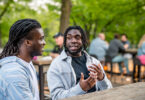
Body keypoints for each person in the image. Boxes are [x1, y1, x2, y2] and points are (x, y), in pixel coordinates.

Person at [47, 26, 112, 100]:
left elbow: (109, 91)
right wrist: (80, 89)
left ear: (83, 40)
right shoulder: (56, 65)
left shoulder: (95, 62)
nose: (73, 40)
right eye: (69, 38)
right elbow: (56, 96)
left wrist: (102, 79)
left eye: (77, 37)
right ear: (65, 41)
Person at [0, 19, 46, 100]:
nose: (44, 42)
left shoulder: (27, 63)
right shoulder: (14, 73)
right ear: (28, 42)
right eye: (41, 38)